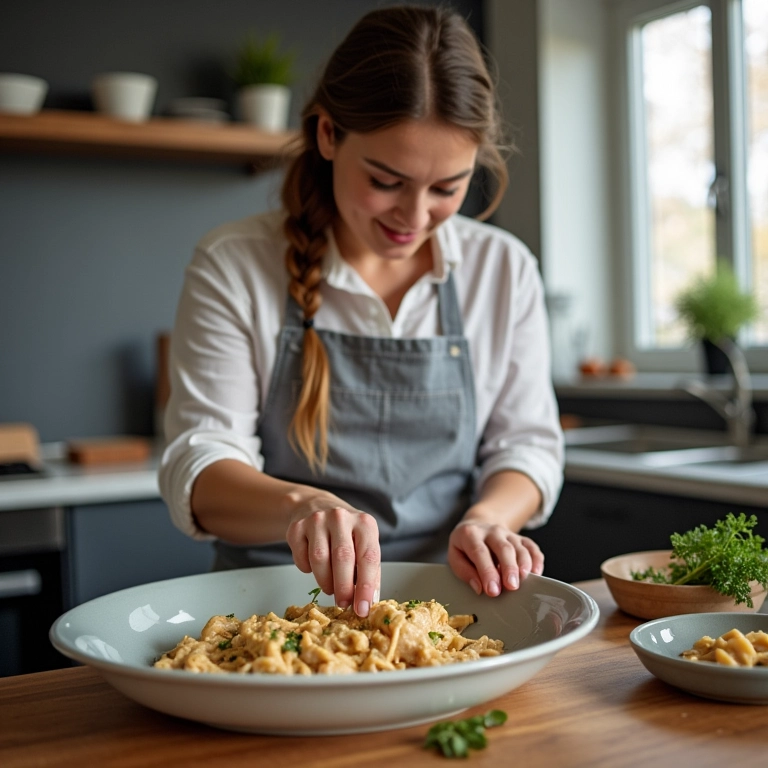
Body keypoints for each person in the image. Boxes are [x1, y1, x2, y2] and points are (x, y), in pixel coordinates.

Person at [159, 4, 564, 619]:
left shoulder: (503, 269)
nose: (414, 216)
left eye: (448, 188)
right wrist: (303, 508)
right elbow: (203, 463)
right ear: (328, 135)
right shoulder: (234, 263)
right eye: (386, 180)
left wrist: (489, 519)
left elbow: (528, 447)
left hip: (445, 613)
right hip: (268, 615)